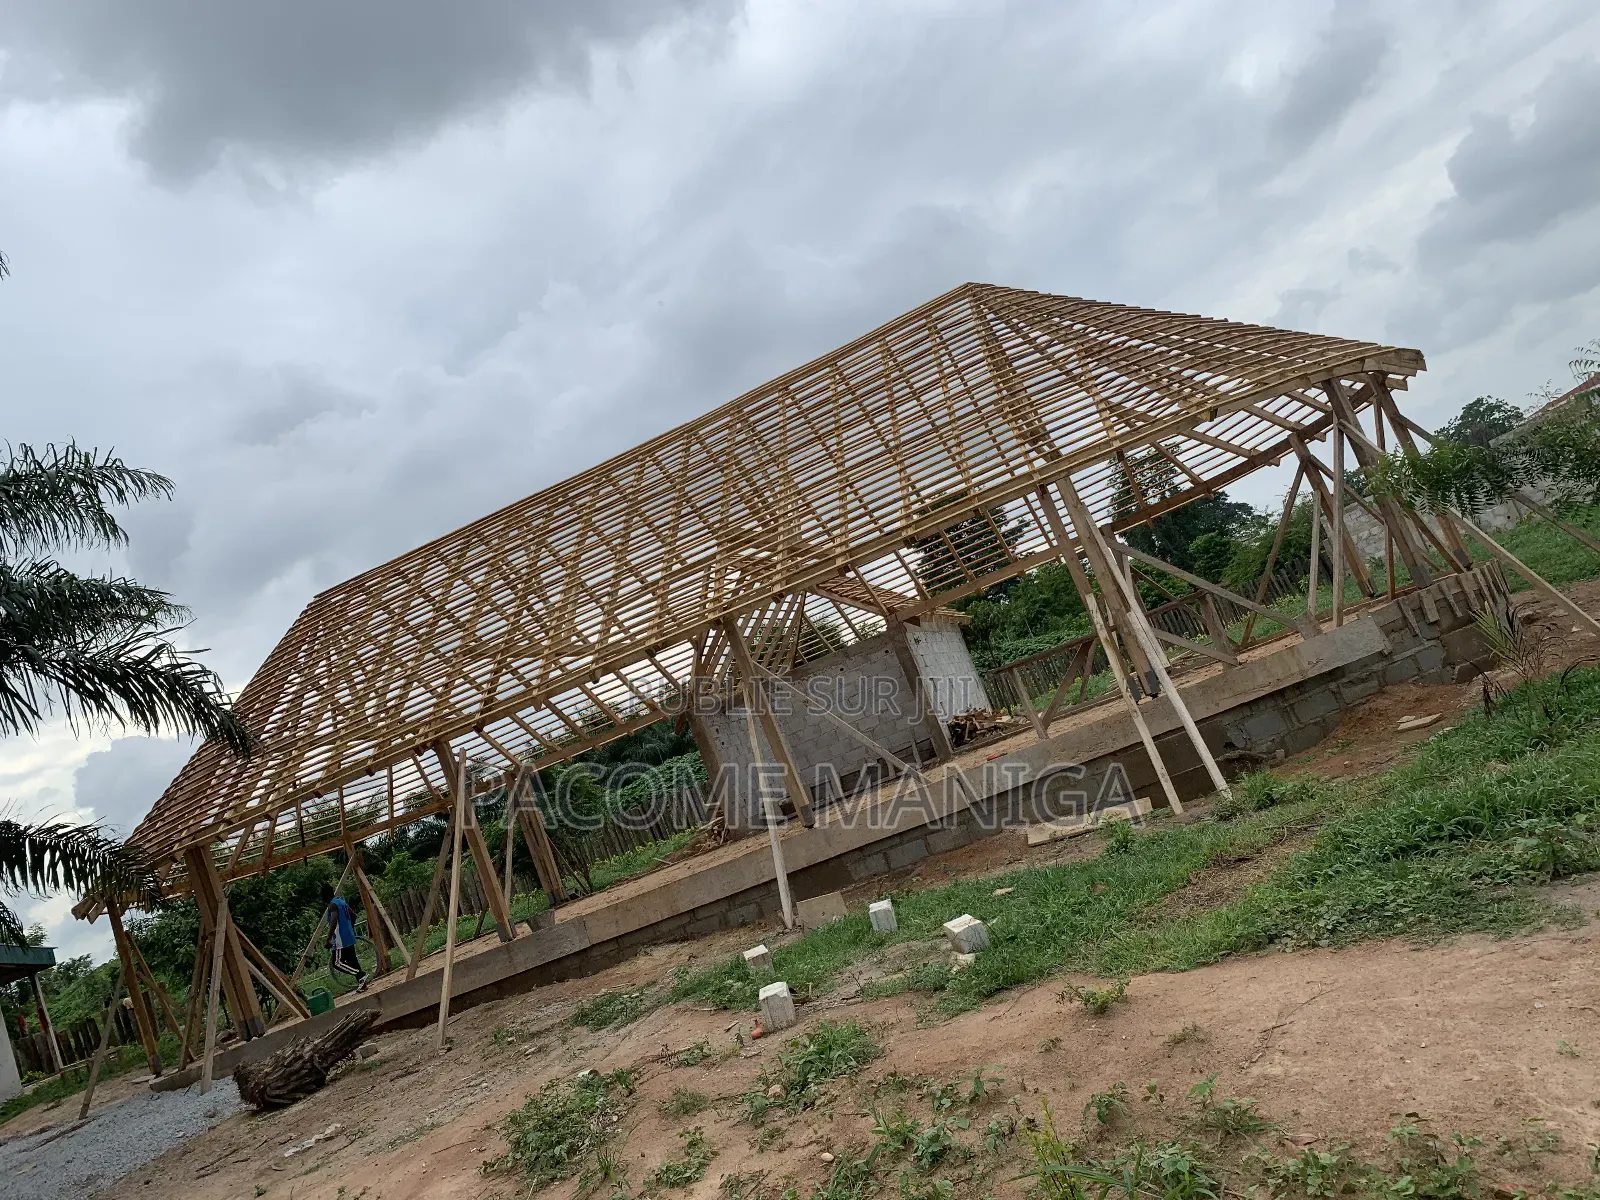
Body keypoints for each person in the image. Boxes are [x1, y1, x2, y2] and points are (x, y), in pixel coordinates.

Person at [322, 884, 368, 993]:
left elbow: (334, 921)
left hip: (339, 939)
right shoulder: (341, 902)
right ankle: (363, 985)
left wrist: (329, 938)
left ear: (324, 896)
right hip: (348, 936)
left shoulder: (332, 905)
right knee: (353, 961)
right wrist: (349, 928)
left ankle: (360, 974)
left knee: (337, 963)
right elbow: (353, 915)